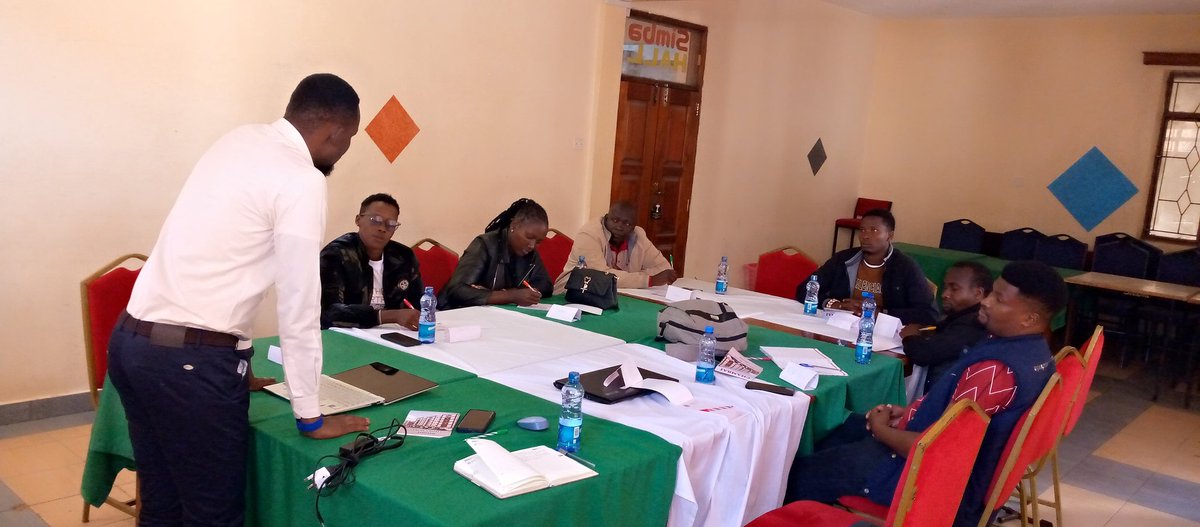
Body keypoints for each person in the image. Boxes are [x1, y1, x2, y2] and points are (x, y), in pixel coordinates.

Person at [107, 74, 371, 526]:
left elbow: (225, 261)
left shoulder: (239, 140)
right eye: (348, 142)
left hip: (133, 344)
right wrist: (309, 414)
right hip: (189, 366)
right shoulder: (301, 179)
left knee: (164, 505)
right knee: (214, 516)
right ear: (337, 132)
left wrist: (239, 360)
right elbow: (299, 302)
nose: (343, 153)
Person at [785, 261, 1066, 527]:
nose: (986, 301)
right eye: (992, 292)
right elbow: (958, 424)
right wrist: (910, 412)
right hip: (933, 454)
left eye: (1000, 300)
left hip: (920, 477)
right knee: (837, 428)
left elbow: (932, 449)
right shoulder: (1037, 355)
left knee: (793, 475)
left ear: (1030, 318)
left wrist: (883, 430)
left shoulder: (995, 370)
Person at [800, 208, 937, 325]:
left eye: (874, 230)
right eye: (862, 230)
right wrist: (834, 304)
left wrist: (881, 314)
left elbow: (929, 313)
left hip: (881, 332)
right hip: (840, 326)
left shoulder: (904, 267)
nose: (865, 236)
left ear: (890, 235)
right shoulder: (843, 259)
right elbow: (804, 289)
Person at [320, 193, 424, 329]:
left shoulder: (404, 256)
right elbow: (330, 312)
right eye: (375, 220)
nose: (382, 228)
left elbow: (418, 302)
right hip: (349, 335)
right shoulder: (336, 254)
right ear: (358, 220)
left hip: (393, 334)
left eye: (391, 224)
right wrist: (388, 316)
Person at [439, 198, 554, 309]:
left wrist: (512, 293)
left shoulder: (529, 251)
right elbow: (456, 290)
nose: (532, 245)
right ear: (513, 226)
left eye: (538, 242)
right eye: (529, 237)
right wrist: (511, 296)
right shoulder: (484, 245)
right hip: (456, 313)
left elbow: (546, 285)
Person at [899, 260, 992, 390]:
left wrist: (909, 337)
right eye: (945, 287)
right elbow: (942, 331)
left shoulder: (974, 323)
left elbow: (923, 354)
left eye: (954, 289)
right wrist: (925, 331)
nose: (944, 294)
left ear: (978, 294)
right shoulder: (961, 315)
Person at [552, 201, 676, 293]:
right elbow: (600, 276)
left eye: (627, 223)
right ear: (606, 218)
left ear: (633, 227)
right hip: (573, 292)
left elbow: (663, 269)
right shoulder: (589, 234)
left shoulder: (638, 235)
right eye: (615, 220)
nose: (619, 227)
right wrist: (648, 280)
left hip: (619, 293)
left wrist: (627, 278)